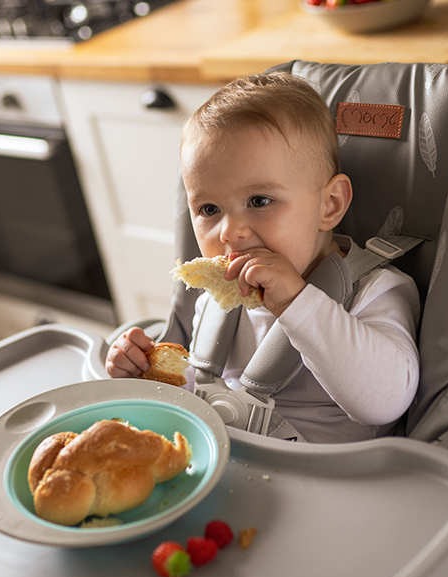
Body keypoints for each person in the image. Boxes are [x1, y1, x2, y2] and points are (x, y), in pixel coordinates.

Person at [106, 72, 420, 442]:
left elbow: (386, 401)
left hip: (334, 486)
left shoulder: (374, 291)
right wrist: (145, 374)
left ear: (329, 204)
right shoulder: (214, 304)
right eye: (209, 209)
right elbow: (208, 395)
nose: (229, 232)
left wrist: (297, 303)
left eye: (259, 201)